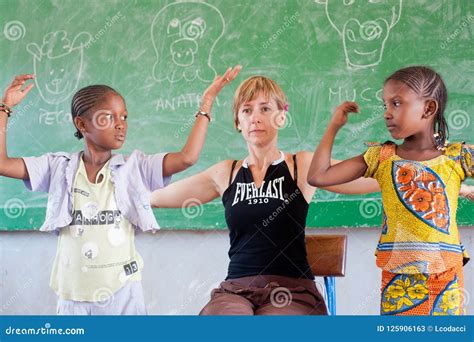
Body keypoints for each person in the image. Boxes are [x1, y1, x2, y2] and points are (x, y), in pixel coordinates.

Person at [0, 65, 241, 315]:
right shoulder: (58, 167)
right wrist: (5, 108)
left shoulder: (134, 167)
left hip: (123, 294)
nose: (120, 125)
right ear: (81, 124)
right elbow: (2, 164)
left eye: (124, 117)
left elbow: (187, 158)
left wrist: (207, 103)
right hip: (73, 297)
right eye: (109, 117)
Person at [151, 75, 381, 315]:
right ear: (238, 122)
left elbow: (370, 179)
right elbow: (156, 197)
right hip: (236, 292)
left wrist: (410, 166)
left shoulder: (300, 165)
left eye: (265, 108)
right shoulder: (225, 173)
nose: (255, 118)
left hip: (293, 291)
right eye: (247, 110)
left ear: (282, 117)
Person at [307, 66, 473, 315]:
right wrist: (333, 126)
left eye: (397, 103)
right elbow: (318, 176)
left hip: (445, 276)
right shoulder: (380, 157)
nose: (387, 113)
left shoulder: (456, 156)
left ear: (428, 108)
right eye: (386, 105)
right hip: (398, 278)